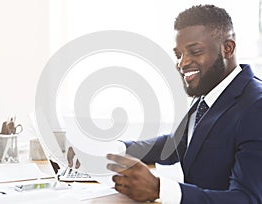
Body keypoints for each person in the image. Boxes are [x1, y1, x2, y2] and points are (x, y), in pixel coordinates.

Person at [69, 4, 262, 203]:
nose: (182, 63)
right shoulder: (209, 94)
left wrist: (159, 189)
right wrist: (109, 151)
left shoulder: (256, 106)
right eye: (178, 55)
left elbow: (247, 199)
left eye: (194, 51)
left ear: (227, 48)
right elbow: (177, 143)